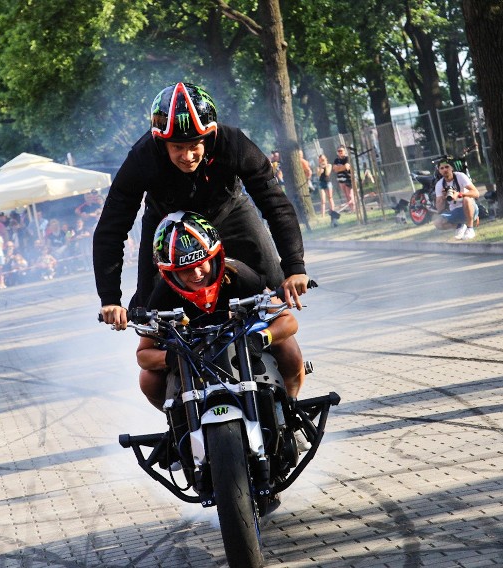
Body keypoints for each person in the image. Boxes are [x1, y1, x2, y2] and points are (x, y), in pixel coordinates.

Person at [94, 82, 308, 331]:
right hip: (167, 225)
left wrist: (295, 267)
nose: (187, 156)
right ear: (161, 142)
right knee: (149, 309)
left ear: (210, 136)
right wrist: (110, 299)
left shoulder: (235, 144)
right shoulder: (142, 158)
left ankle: (282, 360)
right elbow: (111, 229)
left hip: (229, 212)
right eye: (177, 147)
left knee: (276, 288)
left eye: (194, 145)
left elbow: (275, 205)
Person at [135, 212, 306, 410]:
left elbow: (288, 321)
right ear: (170, 272)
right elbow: (143, 355)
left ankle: (289, 407)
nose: (197, 274)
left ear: (214, 257)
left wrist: (261, 338)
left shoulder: (239, 274)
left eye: (201, 264)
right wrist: (172, 357)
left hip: (247, 346)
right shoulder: (161, 295)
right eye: (186, 270)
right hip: (191, 360)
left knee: (289, 350)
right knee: (148, 379)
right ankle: (177, 423)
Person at [433, 158, 480, 240]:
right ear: (439, 171)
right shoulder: (439, 184)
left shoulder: (460, 176)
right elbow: (439, 209)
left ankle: (470, 229)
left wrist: (460, 194)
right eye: (442, 168)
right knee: (437, 222)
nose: (445, 170)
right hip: (455, 211)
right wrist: (443, 198)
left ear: (452, 168)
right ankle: (460, 226)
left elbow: (476, 193)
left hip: (470, 207)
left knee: (466, 199)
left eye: (447, 167)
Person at [332, 145, 354, 212]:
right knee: (346, 195)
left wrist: (339, 168)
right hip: (340, 179)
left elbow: (347, 167)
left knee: (349, 195)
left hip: (348, 178)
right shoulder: (336, 160)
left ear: (344, 151)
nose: (340, 152)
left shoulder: (347, 158)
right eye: (339, 151)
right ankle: (351, 209)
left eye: (341, 151)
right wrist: (341, 168)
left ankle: (354, 208)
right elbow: (334, 169)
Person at [316, 154, 337, 220]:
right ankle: (323, 215)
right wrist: (320, 169)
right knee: (323, 199)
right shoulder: (318, 167)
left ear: (326, 159)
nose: (322, 161)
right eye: (321, 159)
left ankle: (332, 211)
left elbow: (327, 173)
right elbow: (318, 175)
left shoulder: (329, 165)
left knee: (330, 197)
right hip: (321, 183)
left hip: (328, 183)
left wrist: (324, 166)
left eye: (323, 159)